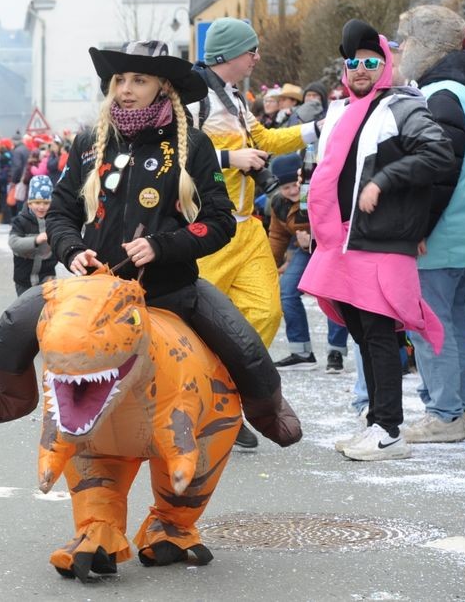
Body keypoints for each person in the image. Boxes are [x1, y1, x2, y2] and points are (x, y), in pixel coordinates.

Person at [47, 40, 300, 449]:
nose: (126, 89)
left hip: (171, 293)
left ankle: (259, 411)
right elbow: (60, 214)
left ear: (163, 87)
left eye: (139, 80)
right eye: (120, 80)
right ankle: (10, 394)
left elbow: (218, 223)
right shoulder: (87, 143)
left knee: (245, 348)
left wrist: (161, 246)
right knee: (18, 327)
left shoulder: (193, 145)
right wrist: (73, 251)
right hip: (96, 293)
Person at [299, 19, 454, 462]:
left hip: (379, 240)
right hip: (342, 241)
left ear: (387, 64)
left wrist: (385, 179)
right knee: (363, 334)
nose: (361, 69)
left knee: (380, 334)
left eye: (371, 61)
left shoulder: (402, 106)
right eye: (354, 63)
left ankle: (389, 429)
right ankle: (375, 421)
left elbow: (438, 154)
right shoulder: (344, 111)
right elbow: (329, 171)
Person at [188, 18, 321, 448]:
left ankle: (223, 396)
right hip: (207, 228)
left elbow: (264, 139)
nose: (257, 57)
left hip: (248, 230)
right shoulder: (191, 99)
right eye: (252, 50)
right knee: (196, 328)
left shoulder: (236, 97)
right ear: (227, 55)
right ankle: (197, 405)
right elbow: (177, 156)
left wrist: (316, 129)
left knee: (265, 313)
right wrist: (230, 158)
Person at [394, 5, 465, 443]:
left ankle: (446, 414)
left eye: (405, 41)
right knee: (457, 320)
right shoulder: (463, 90)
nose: (401, 49)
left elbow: (438, 170)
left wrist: (417, 229)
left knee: (430, 324)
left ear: (426, 45)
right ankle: (459, 408)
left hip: (440, 235)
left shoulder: (441, 94)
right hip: (464, 232)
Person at [266, 154, 349, 371]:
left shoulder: (320, 191)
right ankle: (301, 351)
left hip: (331, 247)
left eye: (295, 185)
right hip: (304, 250)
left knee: (333, 294)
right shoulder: (277, 204)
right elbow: (277, 237)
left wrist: (312, 238)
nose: (292, 191)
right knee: (287, 291)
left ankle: (336, 350)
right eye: (286, 188)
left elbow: (335, 221)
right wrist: (268, 268)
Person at [9, 175, 58, 296]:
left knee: (47, 311)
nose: (41, 207)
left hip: (47, 277)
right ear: (29, 203)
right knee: (26, 311)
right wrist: (35, 240)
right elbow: (13, 242)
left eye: (46, 203)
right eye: (37, 202)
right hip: (24, 280)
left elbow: (60, 243)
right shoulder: (21, 220)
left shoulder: (54, 221)